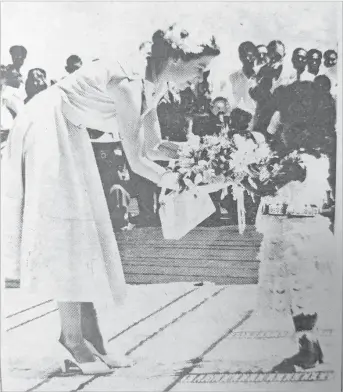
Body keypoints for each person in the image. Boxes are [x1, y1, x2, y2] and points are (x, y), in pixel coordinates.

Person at [1, 23, 220, 375]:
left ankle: (92, 341)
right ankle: (73, 342)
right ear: (178, 58)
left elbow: (154, 147)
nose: (201, 76)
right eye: (200, 67)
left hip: (67, 127)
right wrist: (178, 182)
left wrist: (207, 155)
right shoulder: (128, 82)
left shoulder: (156, 83)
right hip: (45, 126)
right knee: (69, 234)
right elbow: (137, 161)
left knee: (87, 235)